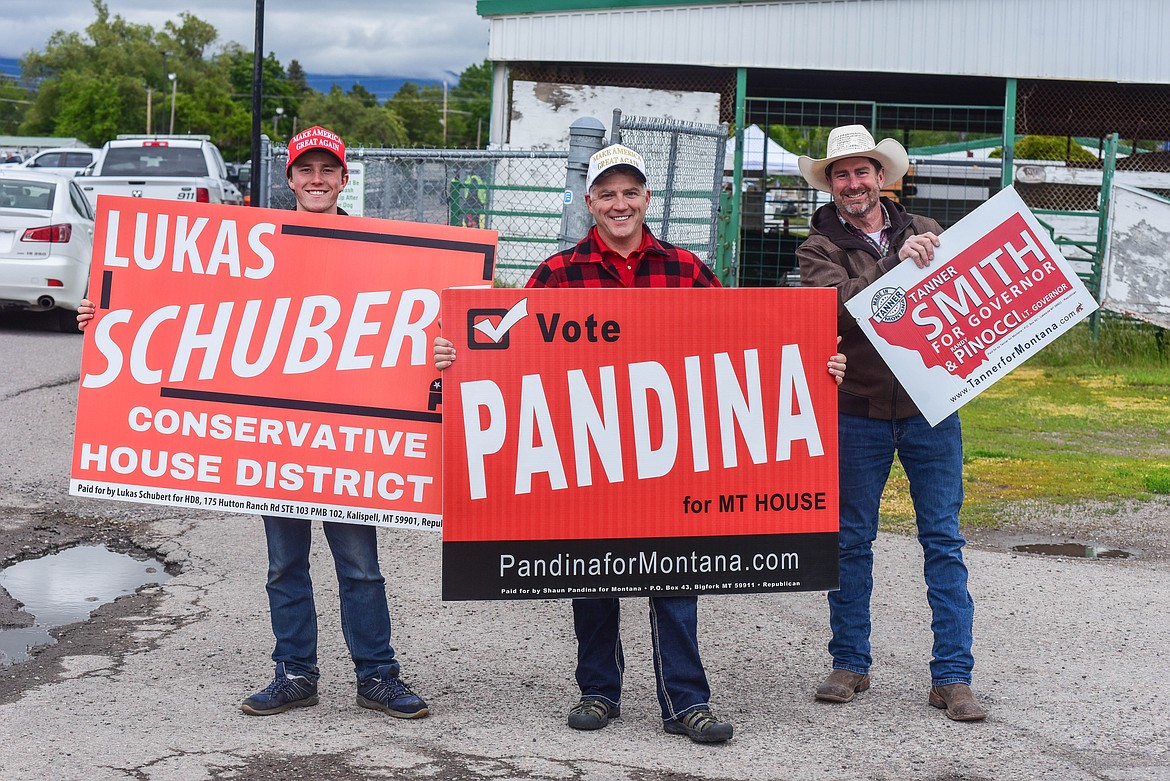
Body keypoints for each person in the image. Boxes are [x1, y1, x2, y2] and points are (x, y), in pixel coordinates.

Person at [434, 144, 847, 743]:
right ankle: (598, 690)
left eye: (631, 192)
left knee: (677, 578)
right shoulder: (556, 273)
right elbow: (511, 354)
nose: (620, 204)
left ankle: (685, 701)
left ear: (647, 199)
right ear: (589, 203)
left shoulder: (686, 268)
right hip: (587, 448)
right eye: (607, 193)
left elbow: (744, 346)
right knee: (585, 572)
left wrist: (816, 366)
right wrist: (458, 357)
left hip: (669, 454)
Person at [78, 125, 429, 719]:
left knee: (361, 566)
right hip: (275, 441)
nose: (316, 180)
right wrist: (108, 314)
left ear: (345, 179)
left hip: (348, 438)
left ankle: (377, 675)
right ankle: (295, 673)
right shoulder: (253, 245)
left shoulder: (379, 248)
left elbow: (423, 322)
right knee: (284, 563)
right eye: (305, 171)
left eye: (327, 171)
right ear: (288, 178)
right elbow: (182, 301)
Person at [795, 124, 987, 721]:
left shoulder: (928, 232)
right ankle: (850, 663)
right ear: (831, 184)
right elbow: (838, 312)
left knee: (943, 541)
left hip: (933, 408)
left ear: (883, 177)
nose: (854, 183)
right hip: (856, 410)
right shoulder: (816, 248)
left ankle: (952, 675)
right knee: (850, 541)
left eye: (863, 171)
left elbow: (969, 298)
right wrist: (897, 271)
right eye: (841, 174)